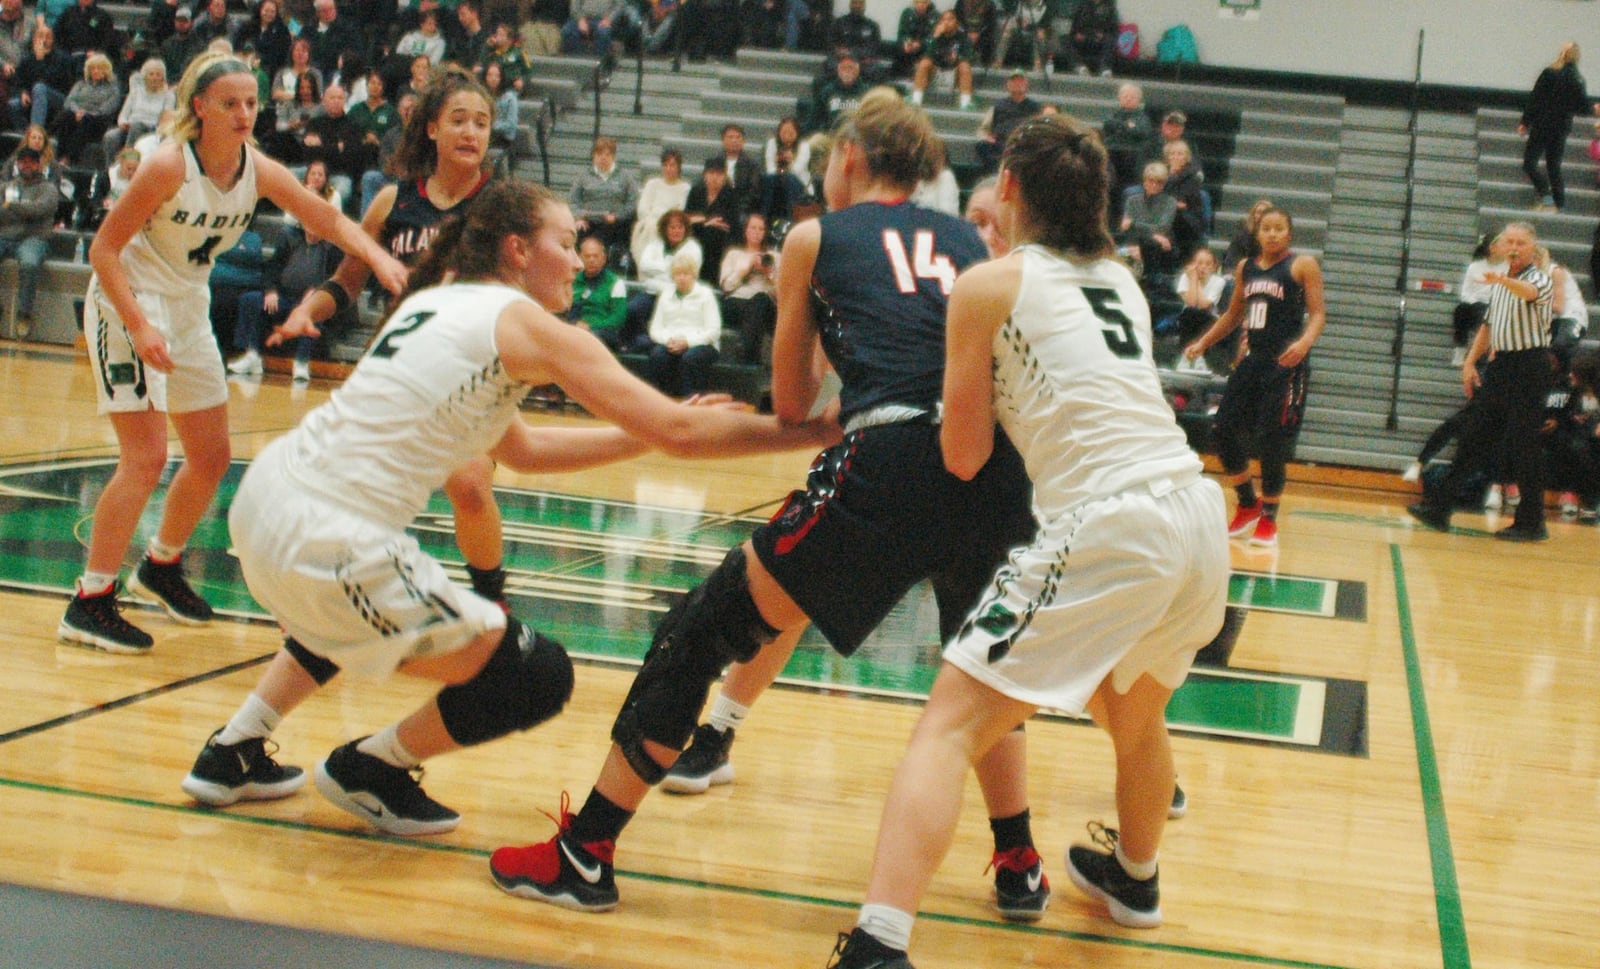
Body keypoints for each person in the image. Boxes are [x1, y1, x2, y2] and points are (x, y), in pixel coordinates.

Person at [487, 89, 1049, 927]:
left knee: (701, 626)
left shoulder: (817, 235)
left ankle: (588, 848)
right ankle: (1017, 860)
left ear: (849, 158)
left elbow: (791, 400)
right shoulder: (972, 238)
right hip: (996, 469)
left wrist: (828, 339)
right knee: (978, 677)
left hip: (891, 458)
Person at [178, 178, 838, 833]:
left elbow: (522, 450)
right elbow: (680, 433)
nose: (581, 258)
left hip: (265, 503)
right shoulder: (523, 322)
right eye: (567, 241)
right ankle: (371, 766)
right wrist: (813, 429)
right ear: (520, 250)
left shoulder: (439, 302)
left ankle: (236, 744)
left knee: (355, 615)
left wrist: (647, 432)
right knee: (535, 674)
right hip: (324, 537)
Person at [823, 107, 1227, 969]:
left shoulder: (992, 283)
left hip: (1114, 519)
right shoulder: (1118, 278)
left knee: (949, 726)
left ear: (1007, 188)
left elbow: (964, 456)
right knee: (1136, 711)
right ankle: (1136, 876)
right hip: (1196, 514)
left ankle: (878, 942)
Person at [55, 52, 407, 655]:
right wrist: (138, 326)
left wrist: (376, 257)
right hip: (128, 302)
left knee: (212, 455)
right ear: (200, 107)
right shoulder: (167, 166)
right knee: (145, 458)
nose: (244, 114)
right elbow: (103, 250)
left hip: (186, 303)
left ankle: (161, 566)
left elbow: (322, 214)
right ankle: (90, 600)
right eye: (230, 103)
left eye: (251, 103)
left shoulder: (257, 169)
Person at [282, 66, 521, 612]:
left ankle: (492, 596)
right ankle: (323, 596)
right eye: (458, 120)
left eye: (482, 122)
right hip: (396, 366)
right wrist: (306, 309)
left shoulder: (505, 208)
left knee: (468, 484)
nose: (471, 132)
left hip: (472, 370)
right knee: (347, 486)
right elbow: (346, 282)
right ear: (431, 129)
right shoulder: (391, 202)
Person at [1182, 205, 1326, 549]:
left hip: (1285, 363)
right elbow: (1233, 315)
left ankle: (1269, 519)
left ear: (1289, 233)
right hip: (1252, 361)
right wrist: (1203, 342)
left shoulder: (1302, 265)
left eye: (1279, 228)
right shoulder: (1246, 268)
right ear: (1257, 233)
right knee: (1223, 429)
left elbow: (1319, 314)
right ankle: (1247, 503)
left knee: (1272, 440)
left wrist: (1304, 343)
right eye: (1267, 229)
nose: (1273, 234)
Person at [1408, 221, 1555, 542]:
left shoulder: (1539, 279)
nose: (1514, 248)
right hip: (1501, 366)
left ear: (1532, 248)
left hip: (1530, 366)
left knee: (1523, 445)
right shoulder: (1499, 282)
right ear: (1500, 246)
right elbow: (1488, 326)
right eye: (1509, 242)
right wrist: (1470, 362)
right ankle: (1440, 508)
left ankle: (1532, 522)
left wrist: (1503, 279)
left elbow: (1528, 293)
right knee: (1474, 435)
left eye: (1521, 243)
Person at [1519, 41, 1598, 212]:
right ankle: (1559, 203)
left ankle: (1546, 197)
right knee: (1553, 166)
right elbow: (1582, 107)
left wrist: (1525, 121)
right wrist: (1594, 108)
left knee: (1529, 163)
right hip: (1561, 127)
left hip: (1542, 123)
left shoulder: (1549, 73)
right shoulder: (1577, 79)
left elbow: (1535, 98)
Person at [643, 248, 721, 396]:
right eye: (678, 274)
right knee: (657, 355)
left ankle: (691, 403)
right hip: (671, 341)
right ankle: (658, 401)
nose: (682, 278)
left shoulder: (706, 295)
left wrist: (688, 342)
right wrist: (669, 341)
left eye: (686, 274)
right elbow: (655, 329)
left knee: (690, 358)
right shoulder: (666, 294)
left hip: (702, 344)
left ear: (694, 275)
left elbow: (713, 331)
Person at [0, 145, 58, 338]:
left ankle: (24, 314)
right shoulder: (7, 186)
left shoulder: (48, 188)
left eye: (31, 161)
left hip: (34, 237)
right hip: (5, 235)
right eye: (22, 161)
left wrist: (11, 206)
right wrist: (22, 209)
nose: (26, 165)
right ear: (17, 164)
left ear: (39, 164)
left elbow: (41, 210)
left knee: (30, 263)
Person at [627, 207, 701, 346]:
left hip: (677, 296)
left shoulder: (693, 248)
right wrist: (669, 269)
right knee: (632, 309)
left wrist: (656, 276)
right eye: (672, 227)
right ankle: (635, 342)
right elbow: (644, 266)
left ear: (685, 229)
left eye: (680, 227)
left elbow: (685, 274)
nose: (676, 231)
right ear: (665, 229)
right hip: (652, 293)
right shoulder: (655, 244)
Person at [719, 210, 778, 365]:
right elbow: (725, 287)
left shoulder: (773, 257)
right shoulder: (734, 254)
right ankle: (750, 358)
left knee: (760, 299)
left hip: (763, 305)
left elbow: (781, 294)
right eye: (753, 228)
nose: (757, 232)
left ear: (765, 232)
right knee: (755, 311)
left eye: (761, 229)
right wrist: (745, 269)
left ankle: (745, 351)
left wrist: (768, 275)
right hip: (736, 303)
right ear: (745, 230)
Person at [569, 135, 638, 258]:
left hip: (614, 224)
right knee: (575, 234)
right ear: (593, 156)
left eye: (607, 154)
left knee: (601, 239)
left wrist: (617, 216)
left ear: (613, 156)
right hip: (588, 222)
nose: (603, 158)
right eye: (599, 154)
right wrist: (579, 217)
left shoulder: (625, 177)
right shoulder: (583, 176)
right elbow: (573, 201)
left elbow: (632, 203)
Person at [49, 51, 119, 166]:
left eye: (99, 68)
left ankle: (69, 158)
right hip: (77, 115)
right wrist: (77, 111)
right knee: (66, 115)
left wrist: (87, 113)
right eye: (93, 69)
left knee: (86, 120)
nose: (95, 71)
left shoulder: (112, 89)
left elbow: (108, 108)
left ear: (106, 70)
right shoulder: (81, 84)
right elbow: (69, 101)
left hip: (97, 120)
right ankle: (57, 152)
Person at [631, 147, 691, 269]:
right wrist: (652, 221)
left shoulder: (685, 188)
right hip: (648, 223)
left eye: (672, 165)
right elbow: (642, 209)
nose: (668, 169)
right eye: (665, 165)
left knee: (658, 228)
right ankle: (646, 265)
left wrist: (663, 221)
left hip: (671, 225)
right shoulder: (652, 184)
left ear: (678, 167)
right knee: (650, 227)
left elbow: (679, 211)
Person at [684, 155, 741, 284]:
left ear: (725, 176)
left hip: (720, 239)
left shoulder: (731, 195)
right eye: (711, 173)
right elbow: (686, 218)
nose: (715, 177)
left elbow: (725, 223)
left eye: (719, 174)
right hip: (695, 234)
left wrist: (700, 220)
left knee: (712, 234)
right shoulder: (696, 192)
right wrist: (707, 221)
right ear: (705, 175)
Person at [974, 68, 1043, 173]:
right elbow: (983, 129)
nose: (1017, 84)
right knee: (982, 146)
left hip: (1023, 145)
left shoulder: (1036, 108)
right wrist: (986, 137)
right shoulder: (998, 106)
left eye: (1021, 81)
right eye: (1014, 81)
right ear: (1008, 85)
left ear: (1027, 84)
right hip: (1000, 144)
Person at [1101, 82, 1154, 218]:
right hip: (1113, 160)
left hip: (1133, 163)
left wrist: (1119, 128)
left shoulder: (1143, 118)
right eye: (1125, 96)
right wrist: (1127, 126)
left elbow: (1140, 132)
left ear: (1139, 99)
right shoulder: (1112, 115)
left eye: (1132, 96)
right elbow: (1108, 125)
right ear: (1119, 98)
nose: (1128, 98)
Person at [104, 59, 173, 162]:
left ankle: (126, 162)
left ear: (163, 78)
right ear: (145, 77)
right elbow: (124, 114)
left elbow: (167, 118)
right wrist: (123, 123)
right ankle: (110, 169)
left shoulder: (168, 95)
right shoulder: (136, 92)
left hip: (153, 128)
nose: (154, 78)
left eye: (158, 75)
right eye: (151, 74)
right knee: (111, 137)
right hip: (130, 127)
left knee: (137, 127)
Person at [1116, 160, 1176, 276]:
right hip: (1134, 243)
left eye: (1159, 182)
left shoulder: (1170, 202)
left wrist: (1134, 223)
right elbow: (1125, 228)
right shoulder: (1132, 201)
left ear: (1164, 184)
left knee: (1151, 246)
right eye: (1151, 181)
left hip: (1157, 248)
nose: (1154, 185)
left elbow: (1162, 228)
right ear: (1144, 181)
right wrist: (1154, 235)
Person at [568, 233, 628, 350]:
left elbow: (618, 319)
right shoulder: (571, 279)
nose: (591, 260)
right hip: (574, 327)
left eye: (595, 256)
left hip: (604, 332)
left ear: (604, 258)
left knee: (588, 338)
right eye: (587, 256)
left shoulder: (616, 283)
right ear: (580, 257)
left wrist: (590, 326)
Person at [909, 8, 974, 111]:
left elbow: (969, 57)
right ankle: (916, 101)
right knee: (924, 62)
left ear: (956, 22)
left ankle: (965, 103)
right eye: (944, 20)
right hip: (935, 72)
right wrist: (935, 37)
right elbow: (926, 55)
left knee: (964, 66)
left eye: (950, 19)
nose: (947, 22)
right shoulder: (934, 35)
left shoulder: (963, 37)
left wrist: (957, 58)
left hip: (954, 73)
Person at [759, 116, 812, 223]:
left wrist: (791, 162)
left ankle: (791, 219)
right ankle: (763, 218)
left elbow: (797, 171)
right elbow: (770, 170)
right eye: (784, 133)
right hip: (777, 181)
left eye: (791, 133)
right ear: (779, 133)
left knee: (790, 178)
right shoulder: (772, 143)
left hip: (799, 184)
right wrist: (777, 164)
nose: (787, 136)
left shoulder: (804, 146)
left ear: (797, 133)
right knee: (768, 179)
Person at [1061, 0, 1116, 76]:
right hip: (1083, 39)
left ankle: (1104, 68)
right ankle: (1079, 66)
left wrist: (1103, 35)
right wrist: (1077, 34)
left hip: (1099, 41)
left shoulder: (1108, 6)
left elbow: (1113, 29)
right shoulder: (1083, 4)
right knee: (1065, 39)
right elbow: (1075, 26)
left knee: (1109, 40)